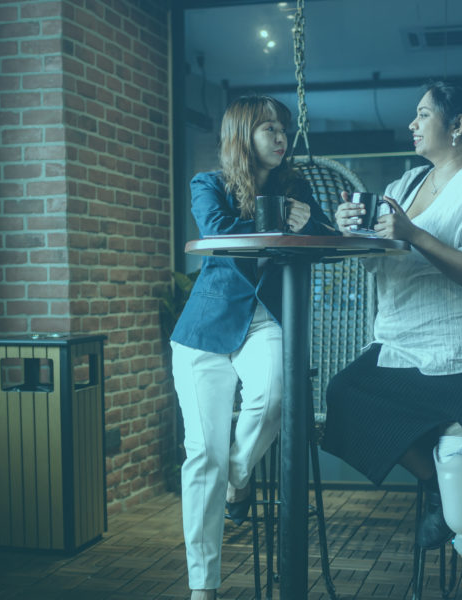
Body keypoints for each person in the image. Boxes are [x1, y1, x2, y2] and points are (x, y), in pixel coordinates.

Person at [322, 80, 462, 549]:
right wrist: (353, 232)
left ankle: (456, 491)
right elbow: (382, 257)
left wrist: (416, 235)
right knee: (344, 393)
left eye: (423, 114)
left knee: (461, 427)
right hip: (410, 342)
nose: (412, 123)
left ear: (458, 126)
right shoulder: (404, 184)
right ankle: (438, 486)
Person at [170, 95, 335, 600]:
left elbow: (325, 237)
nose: (281, 137)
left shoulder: (296, 187)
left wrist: (308, 221)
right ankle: (204, 587)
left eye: (283, 129)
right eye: (269, 128)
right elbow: (218, 233)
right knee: (202, 454)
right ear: (244, 134)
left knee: (276, 397)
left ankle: (238, 476)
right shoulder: (210, 184)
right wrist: (279, 221)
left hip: (266, 317)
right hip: (207, 326)